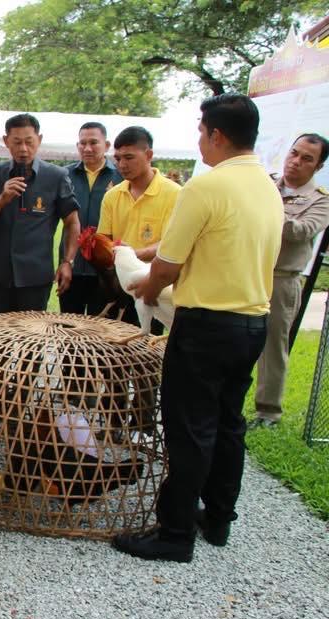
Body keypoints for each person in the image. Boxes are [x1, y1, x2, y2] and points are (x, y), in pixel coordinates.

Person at [113, 94, 282, 563]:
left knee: (189, 428)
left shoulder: (205, 187)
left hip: (206, 325)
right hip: (251, 324)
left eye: (201, 130)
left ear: (217, 135)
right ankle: (219, 518)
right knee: (229, 424)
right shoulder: (266, 185)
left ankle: (174, 533)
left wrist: (142, 288)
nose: (199, 140)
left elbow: (166, 268)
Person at [0, 113, 81, 314]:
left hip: (36, 277)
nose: (23, 149)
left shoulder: (56, 176)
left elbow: (72, 222)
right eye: (17, 142)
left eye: (29, 142)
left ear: (39, 140)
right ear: (6, 142)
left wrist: (67, 261)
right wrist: (1, 199)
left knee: (32, 340)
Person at [254, 133, 329, 427]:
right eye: (294, 153)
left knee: (273, 347)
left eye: (306, 158)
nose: (295, 162)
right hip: (250, 273)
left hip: (282, 280)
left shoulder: (320, 201)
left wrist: (267, 210)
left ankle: (268, 412)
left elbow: (301, 230)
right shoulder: (267, 183)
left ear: (318, 166)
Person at [98, 126, 181, 327]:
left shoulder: (175, 194)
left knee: (147, 346)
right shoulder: (112, 195)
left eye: (129, 157)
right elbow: (104, 239)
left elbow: (173, 245)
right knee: (112, 348)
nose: (122, 164)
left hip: (156, 287)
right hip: (120, 285)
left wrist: (131, 254)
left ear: (149, 154)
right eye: (117, 159)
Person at [60, 122, 122, 316]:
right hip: (72, 265)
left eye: (93, 142)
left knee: (102, 330)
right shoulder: (64, 175)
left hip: (106, 268)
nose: (87, 148)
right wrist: (65, 262)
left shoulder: (121, 176)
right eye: (82, 143)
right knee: (68, 328)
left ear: (107, 144)